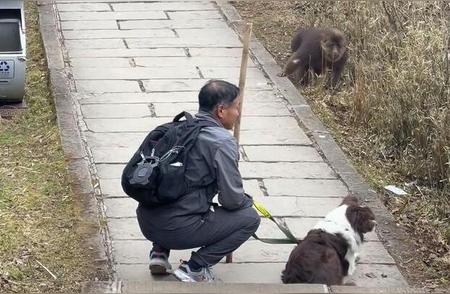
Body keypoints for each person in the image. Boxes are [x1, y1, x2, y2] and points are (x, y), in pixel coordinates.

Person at [136, 79, 261, 282]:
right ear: (221, 110)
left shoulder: (177, 128)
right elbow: (232, 201)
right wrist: (247, 201)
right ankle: (194, 268)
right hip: (177, 229)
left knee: (174, 187)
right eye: (237, 107)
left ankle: (159, 252)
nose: (238, 114)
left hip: (147, 222)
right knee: (249, 219)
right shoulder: (222, 142)